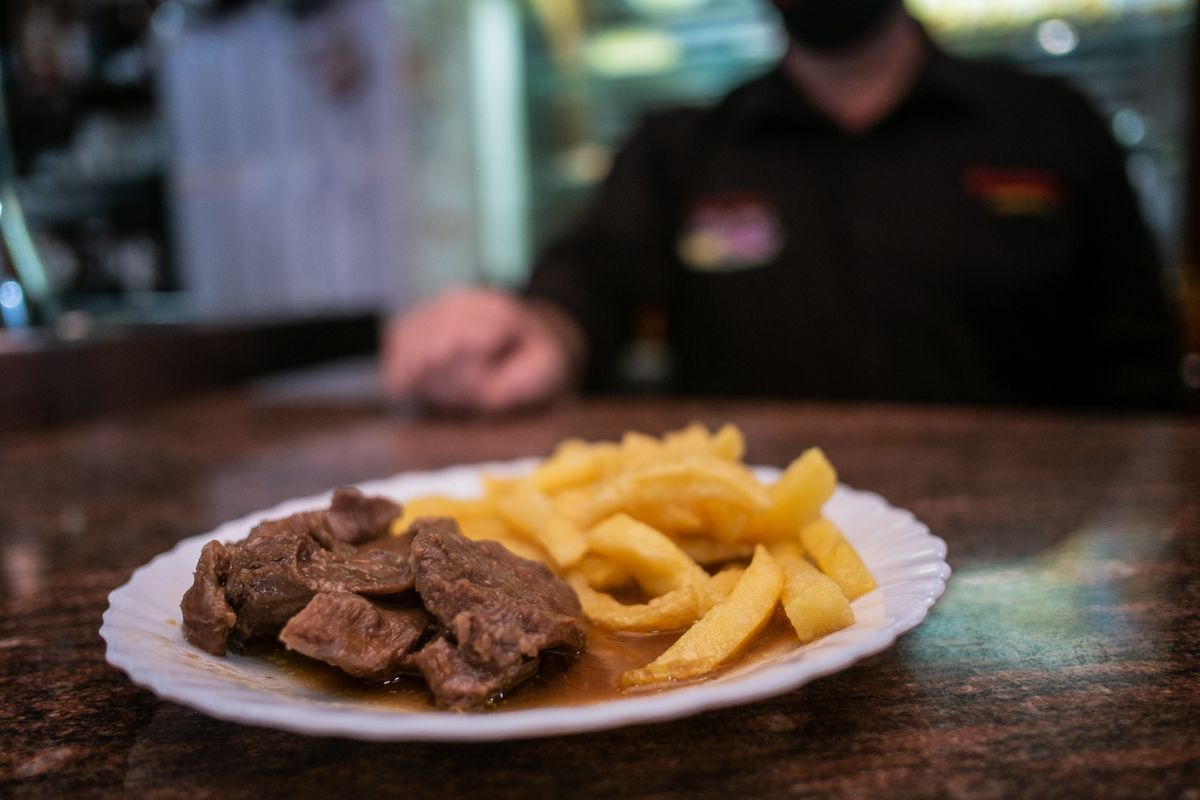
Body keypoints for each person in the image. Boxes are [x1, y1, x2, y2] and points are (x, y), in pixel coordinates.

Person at [382, 0, 1183, 413]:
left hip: (1024, 585)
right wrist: (533, 337)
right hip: (751, 570)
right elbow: (589, 283)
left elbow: (1141, 367)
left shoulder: (1051, 124)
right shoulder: (682, 149)